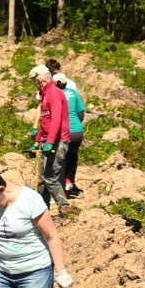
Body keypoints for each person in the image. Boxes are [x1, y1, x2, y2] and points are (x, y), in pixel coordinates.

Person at [30, 63, 70, 208]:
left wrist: (51, 142)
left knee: (50, 178)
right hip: (47, 140)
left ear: (40, 80)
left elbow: (56, 120)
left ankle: (65, 208)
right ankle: (42, 209)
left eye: (35, 82)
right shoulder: (45, 94)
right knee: (41, 179)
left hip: (58, 140)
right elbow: (46, 120)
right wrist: (37, 141)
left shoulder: (54, 93)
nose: (35, 84)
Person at [48, 60, 87, 198]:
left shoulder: (54, 94)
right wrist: (76, 124)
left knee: (59, 159)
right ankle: (69, 182)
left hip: (63, 132)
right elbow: (81, 112)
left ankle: (59, 190)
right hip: (77, 132)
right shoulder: (73, 92)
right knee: (72, 156)